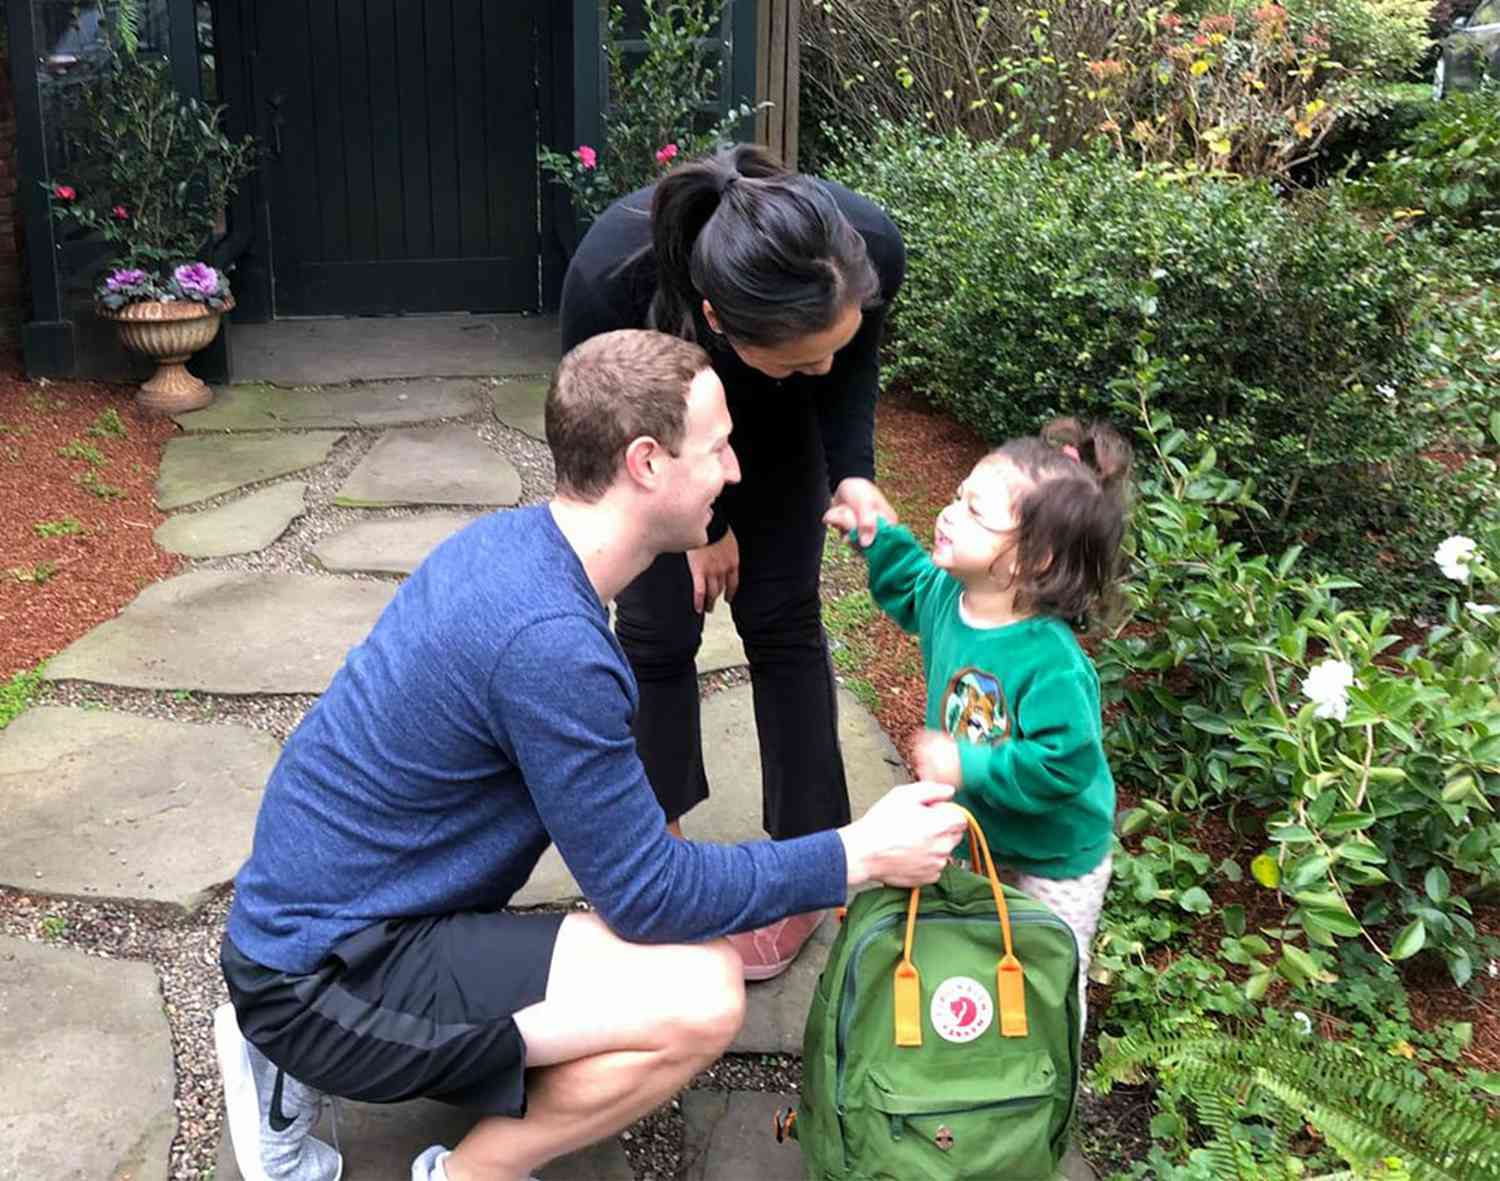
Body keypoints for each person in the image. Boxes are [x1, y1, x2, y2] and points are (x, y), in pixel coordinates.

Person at [213, 329, 967, 1181]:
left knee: (663, 966)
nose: (736, 470)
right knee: (701, 998)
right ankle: (456, 1169)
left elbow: (630, 865)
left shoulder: (515, 548)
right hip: (320, 975)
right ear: (647, 462)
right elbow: (648, 893)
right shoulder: (549, 641)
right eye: (718, 447)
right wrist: (855, 854)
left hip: (341, 914)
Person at [559, 144, 907, 981]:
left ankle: (805, 870)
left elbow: (848, 359)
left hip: (779, 435)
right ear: (716, 318)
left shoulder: (862, 243)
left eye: (826, 346)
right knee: (654, 630)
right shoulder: (613, 281)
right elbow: (605, 441)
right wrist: (699, 523)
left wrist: (853, 467)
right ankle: (654, 852)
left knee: (784, 624)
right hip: (653, 444)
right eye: (802, 358)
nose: (822, 367)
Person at [824, 418, 1131, 1020]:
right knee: (978, 946)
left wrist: (969, 762)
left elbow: (1062, 765)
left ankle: (1045, 1076)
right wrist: (876, 534)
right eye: (959, 496)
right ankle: (975, 1058)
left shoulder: (1051, 661)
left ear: (1032, 560)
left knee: (1047, 971)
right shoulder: (946, 594)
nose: (947, 513)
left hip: (1055, 854)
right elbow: (908, 581)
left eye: (974, 512)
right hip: (983, 831)